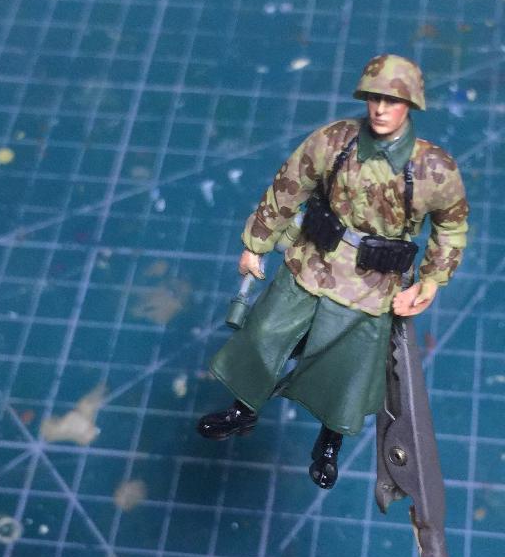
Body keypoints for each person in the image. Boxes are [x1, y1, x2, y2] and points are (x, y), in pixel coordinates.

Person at [196, 54, 468, 489]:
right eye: (374, 98)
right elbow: (288, 187)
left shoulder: (433, 169)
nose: (380, 109)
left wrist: (431, 280)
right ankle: (243, 409)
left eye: (392, 101)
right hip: (312, 260)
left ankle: (328, 443)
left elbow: (451, 228)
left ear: (410, 105)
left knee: (346, 373)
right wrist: (255, 244)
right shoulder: (335, 141)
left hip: (371, 284)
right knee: (264, 335)